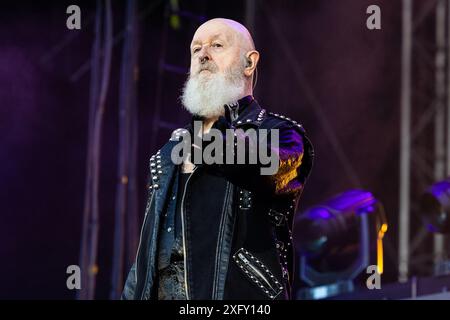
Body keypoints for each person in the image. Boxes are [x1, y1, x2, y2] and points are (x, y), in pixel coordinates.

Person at [122, 18, 313, 300]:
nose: (203, 55)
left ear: (249, 63)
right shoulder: (168, 153)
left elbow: (269, 168)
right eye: (196, 49)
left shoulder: (280, 134)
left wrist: (211, 134)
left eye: (217, 45)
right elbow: (147, 258)